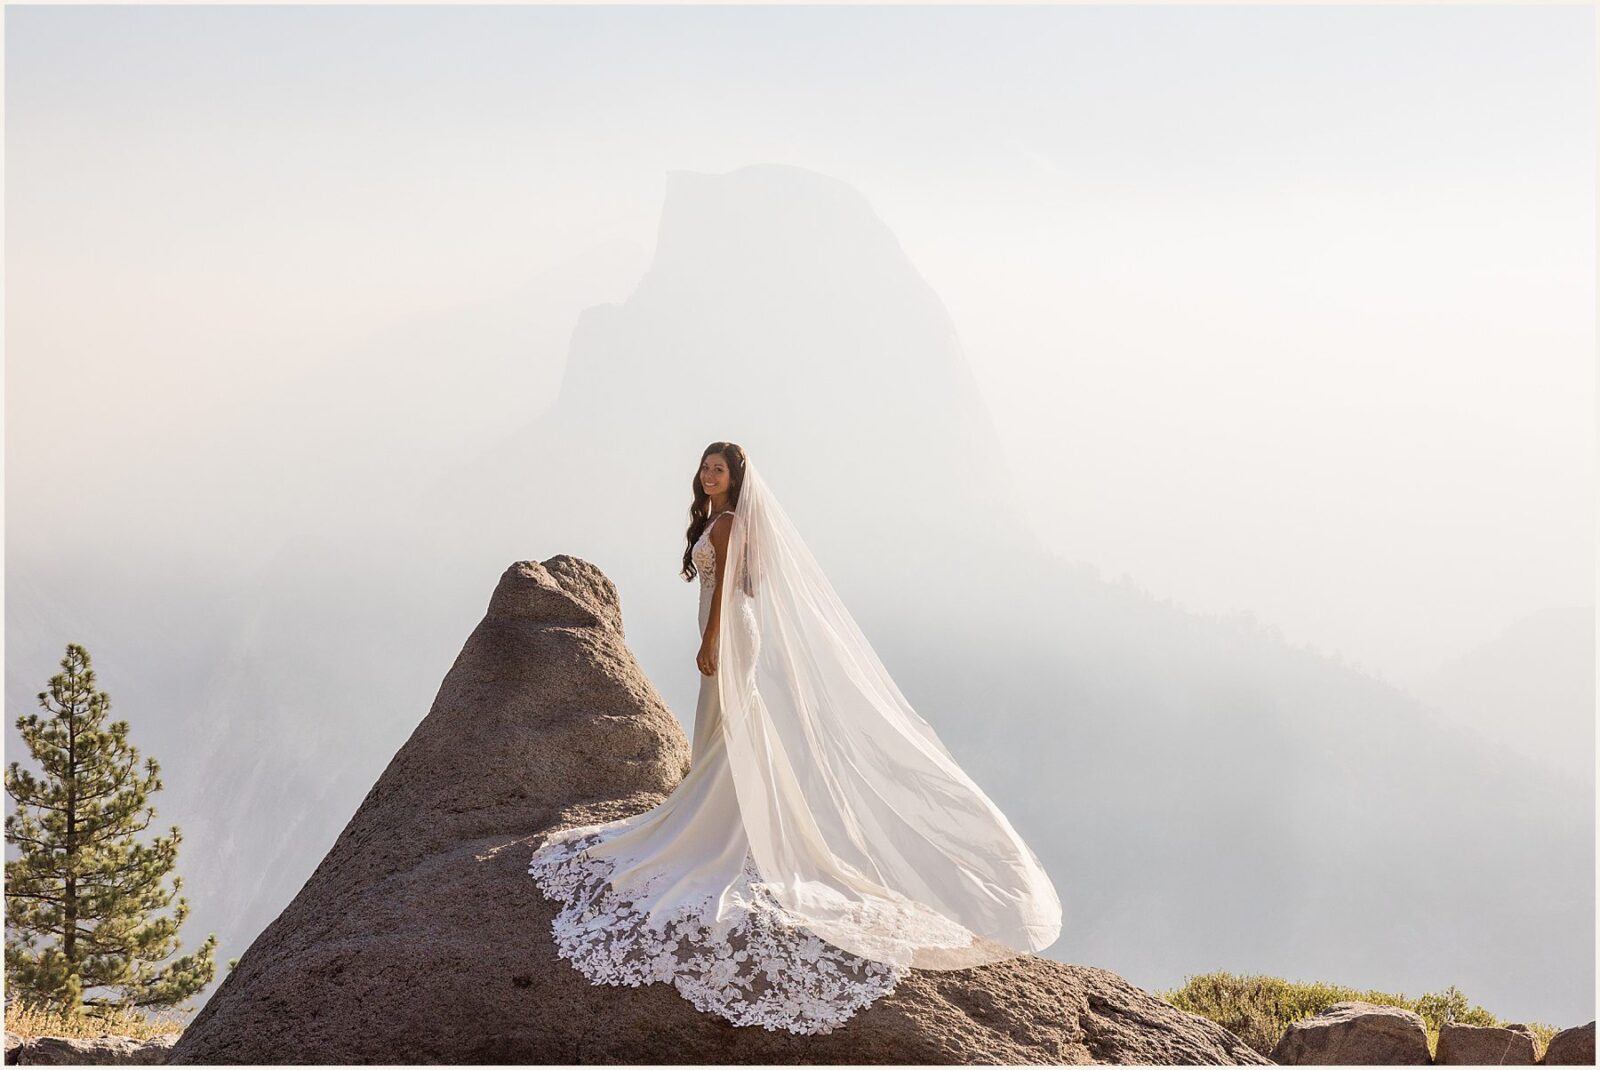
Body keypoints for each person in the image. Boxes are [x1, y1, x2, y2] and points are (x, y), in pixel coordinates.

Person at [528, 441, 1061, 1034]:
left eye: (719, 469)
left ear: (736, 478)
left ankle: (729, 831)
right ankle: (733, 819)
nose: (708, 476)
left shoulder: (728, 523)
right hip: (733, 630)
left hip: (730, 632)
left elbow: (728, 589)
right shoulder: (719, 519)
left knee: (731, 727)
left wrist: (710, 642)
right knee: (725, 729)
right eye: (705, 467)